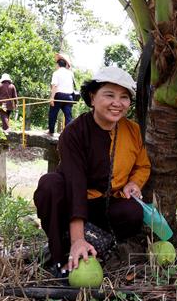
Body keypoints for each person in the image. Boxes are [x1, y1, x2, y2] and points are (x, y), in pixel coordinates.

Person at [33, 66, 151, 278]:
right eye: (109, 95)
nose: (117, 103)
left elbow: (142, 165)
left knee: (132, 212)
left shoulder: (132, 130)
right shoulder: (74, 132)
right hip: (73, 200)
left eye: (124, 97)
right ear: (92, 97)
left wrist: (134, 183)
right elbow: (74, 184)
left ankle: (102, 246)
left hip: (106, 204)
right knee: (50, 185)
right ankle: (61, 256)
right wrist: (78, 237)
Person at [47, 53, 75, 136]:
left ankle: (51, 131)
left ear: (58, 64)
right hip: (69, 97)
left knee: (53, 114)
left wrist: (52, 98)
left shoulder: (56, 73)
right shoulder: (70, 73)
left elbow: (54, 85)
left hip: (59, 96)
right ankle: (68, 133)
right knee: (68, 116)